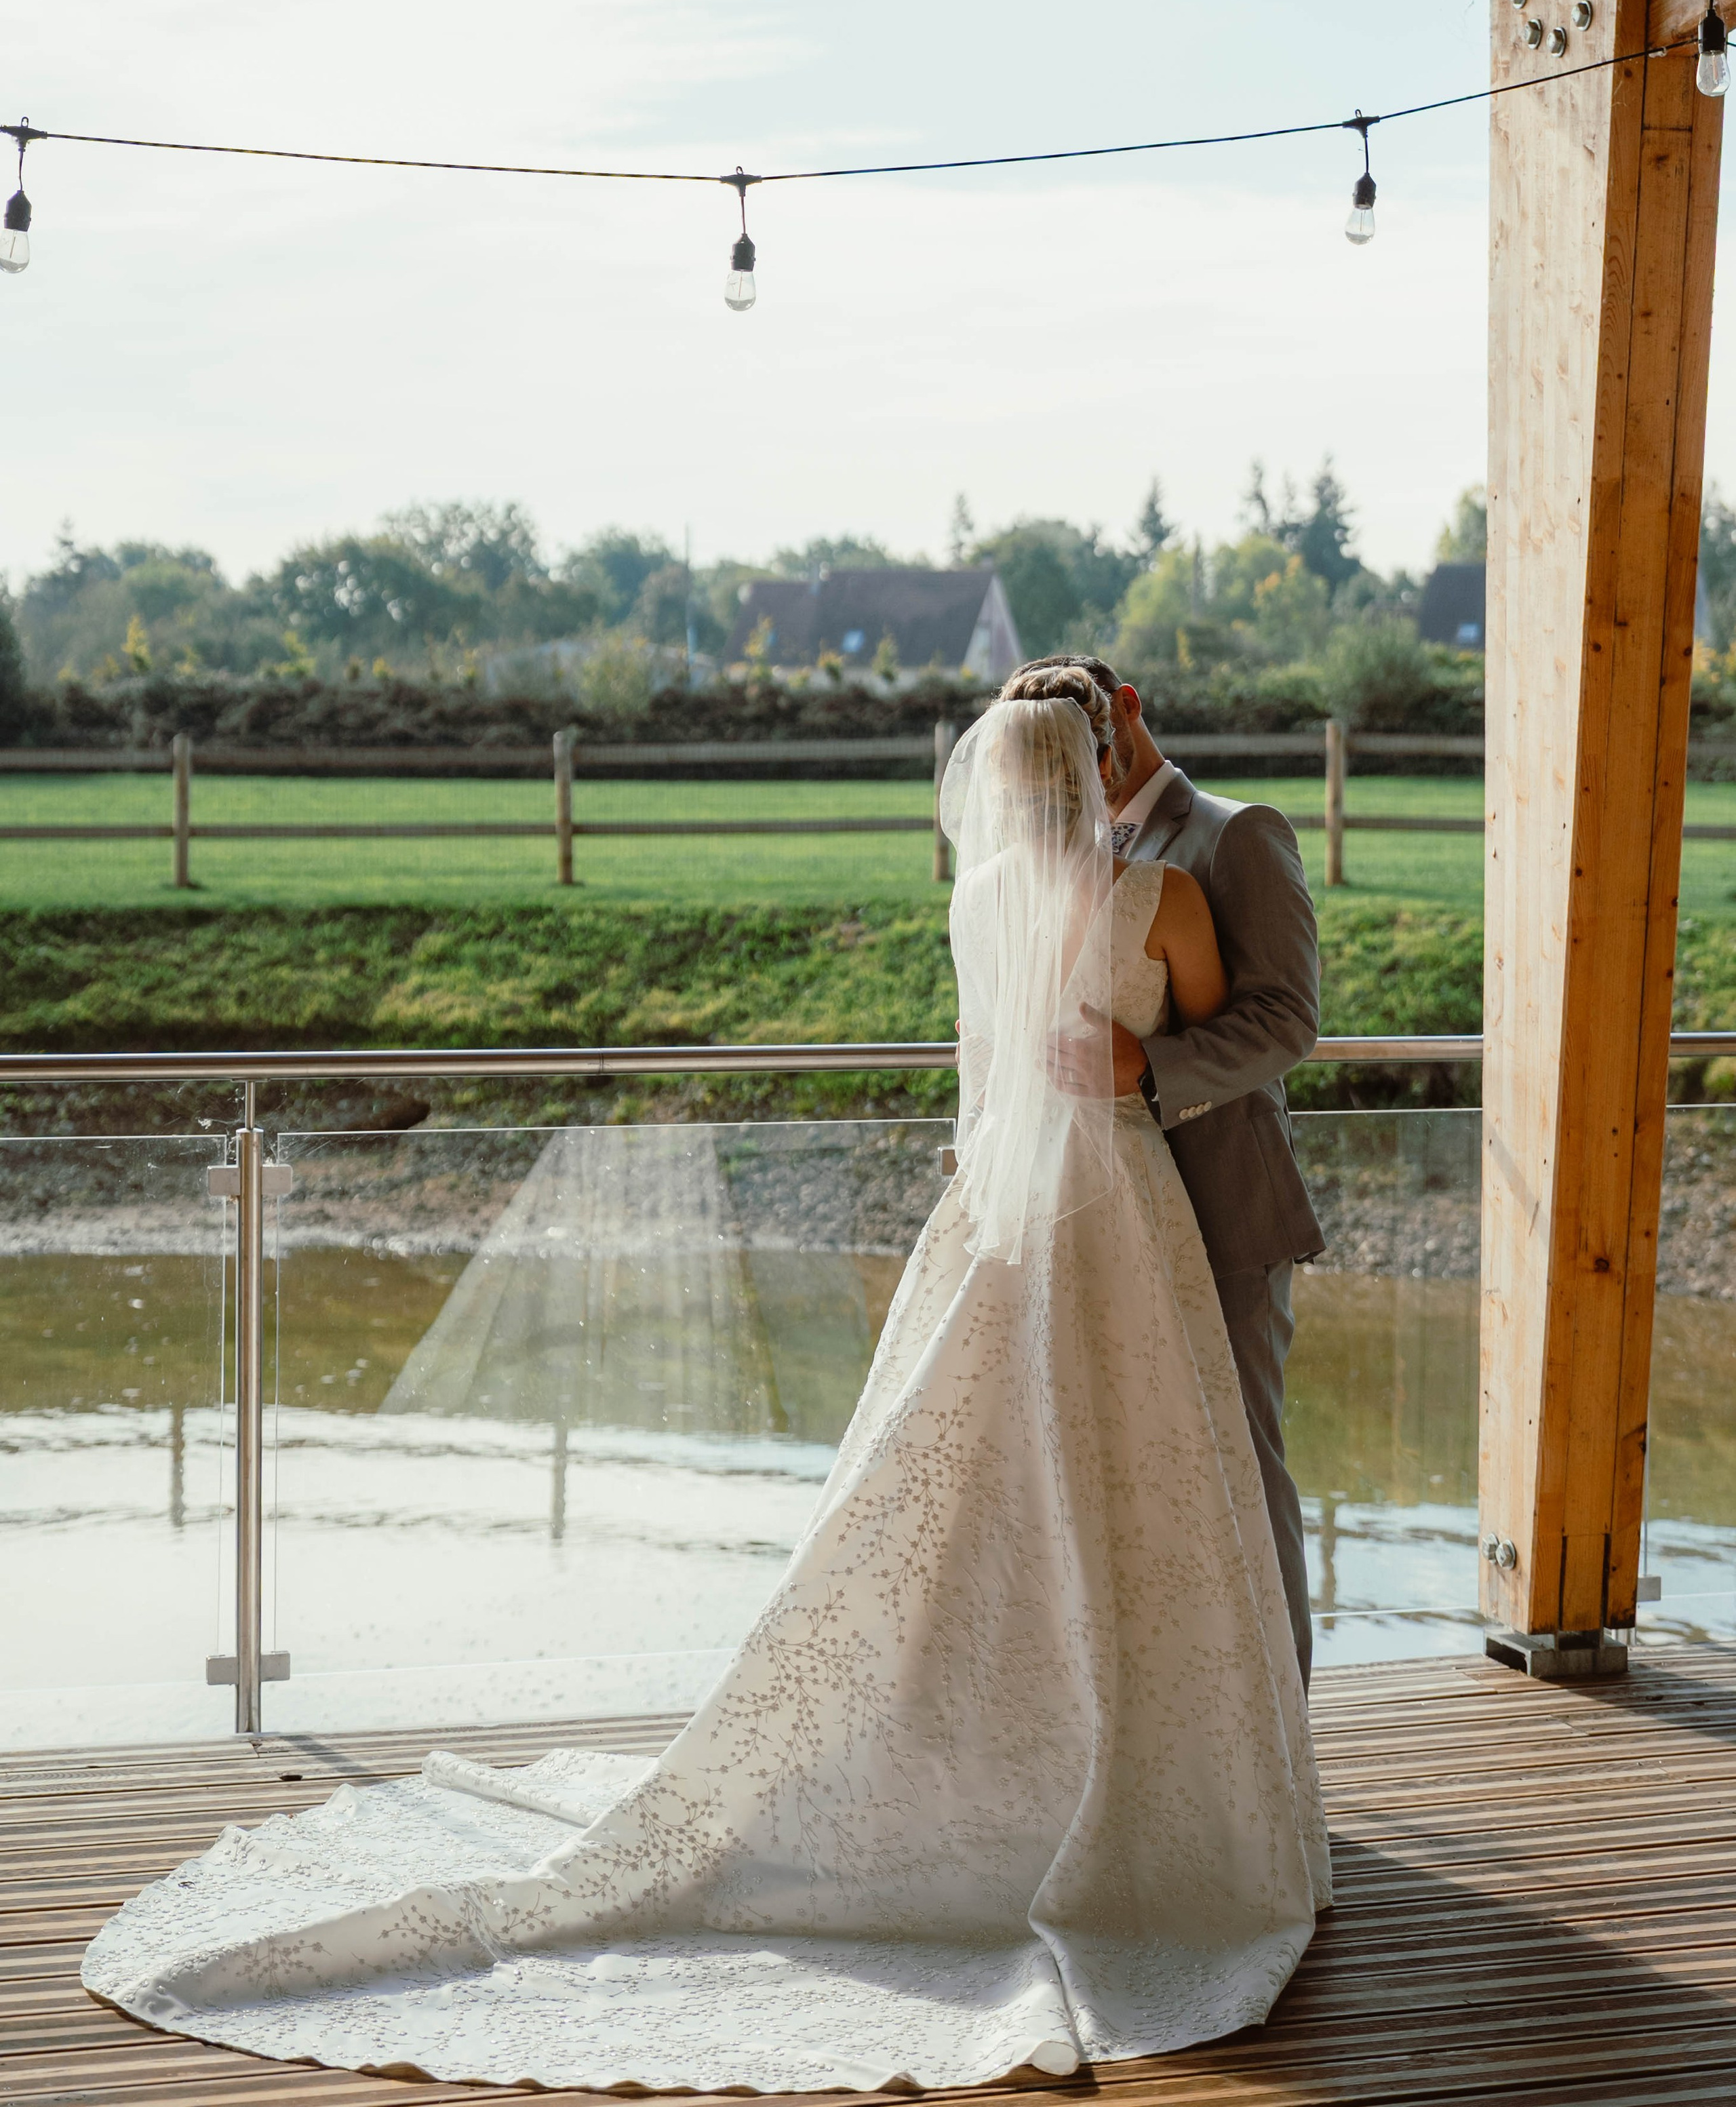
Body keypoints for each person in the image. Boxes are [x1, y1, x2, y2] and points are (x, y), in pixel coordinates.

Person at [83, 680, 1328, 2096]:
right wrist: (1114, 1076)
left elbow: (1062, 1061)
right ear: (1091, 752)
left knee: (1004, 1499)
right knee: (1150, 1496)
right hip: (1125, 1214)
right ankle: (1161, 1793)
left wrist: (1051, 1115)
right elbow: (1187, 1036)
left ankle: (1080, 1769)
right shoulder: (1157, 895)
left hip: (1012, 1222)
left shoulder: (994, 890)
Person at [1012, 654, 1322, 1683]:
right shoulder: (1048, 852)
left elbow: (1287, 1020)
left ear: (1126, 713)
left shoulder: (1238, 834)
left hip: (1222, 1210)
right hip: (1090, 1215)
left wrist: (1152, 1066)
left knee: (1240, 1466)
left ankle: (1285, 1730)